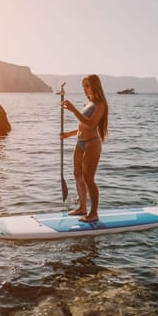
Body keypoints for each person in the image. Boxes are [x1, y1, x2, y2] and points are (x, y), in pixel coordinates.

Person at [61, 74, 108, 222]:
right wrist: (70, 134)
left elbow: (91, 124)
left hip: (92, 143)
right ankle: (82, 208)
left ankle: (93, 214)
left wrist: (74, 110)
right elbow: (82, 126)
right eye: (83, 86)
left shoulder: (100, 105)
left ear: (95, 86)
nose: (84, 89)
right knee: (77, 175)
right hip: (80, 143)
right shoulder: (87, 104)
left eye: (87, 86)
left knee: (88, 179)